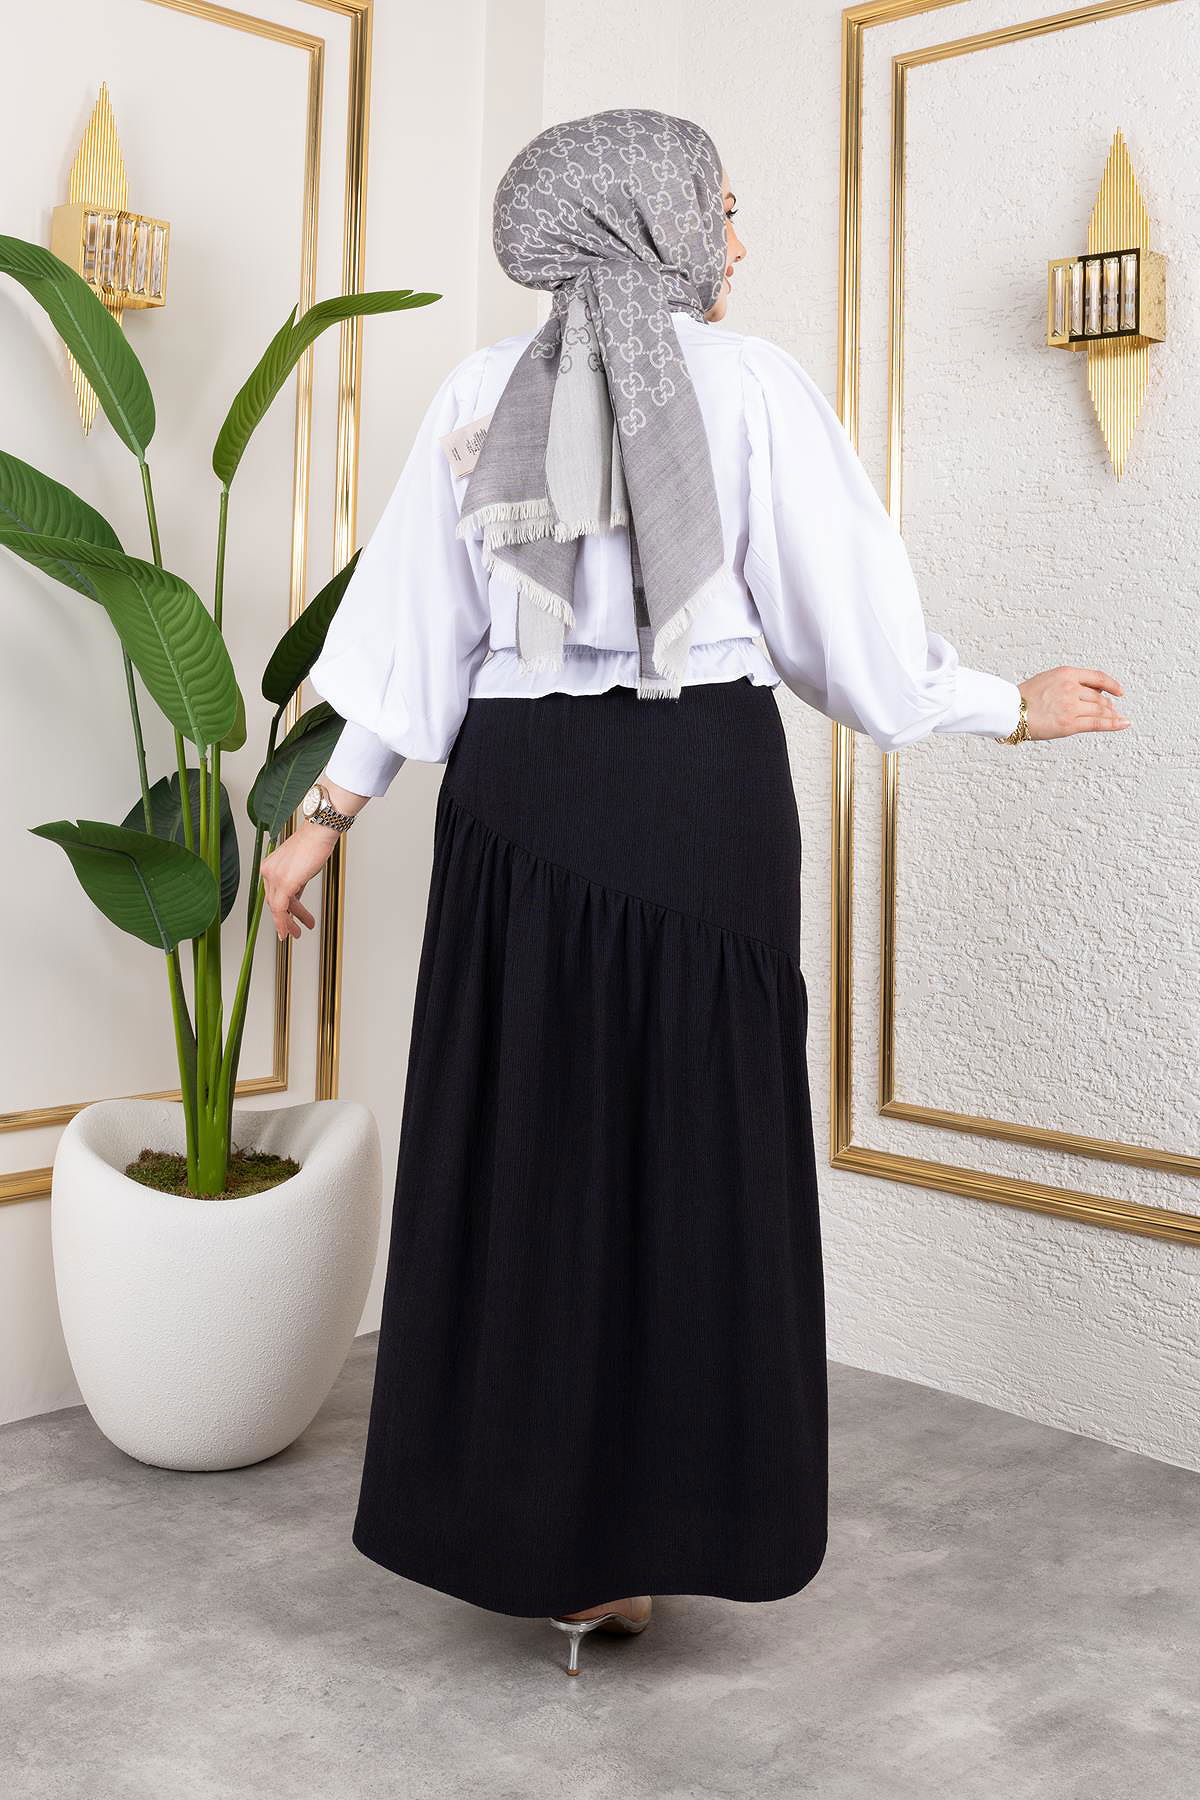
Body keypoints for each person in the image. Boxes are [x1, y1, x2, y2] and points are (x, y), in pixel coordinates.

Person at [259, 107, 1130, 1677]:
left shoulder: (480, 393)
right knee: (691, 1152)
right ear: (651, 220)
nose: (739, 237)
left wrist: (324, 816)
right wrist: (1005, 705)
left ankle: (550, 1540)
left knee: (533, 1148)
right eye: (722, 207)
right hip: (698, 794)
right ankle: (659, 1525)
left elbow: (410, 645)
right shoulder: (751, 387)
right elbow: (845, 631)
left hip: (523, 797)